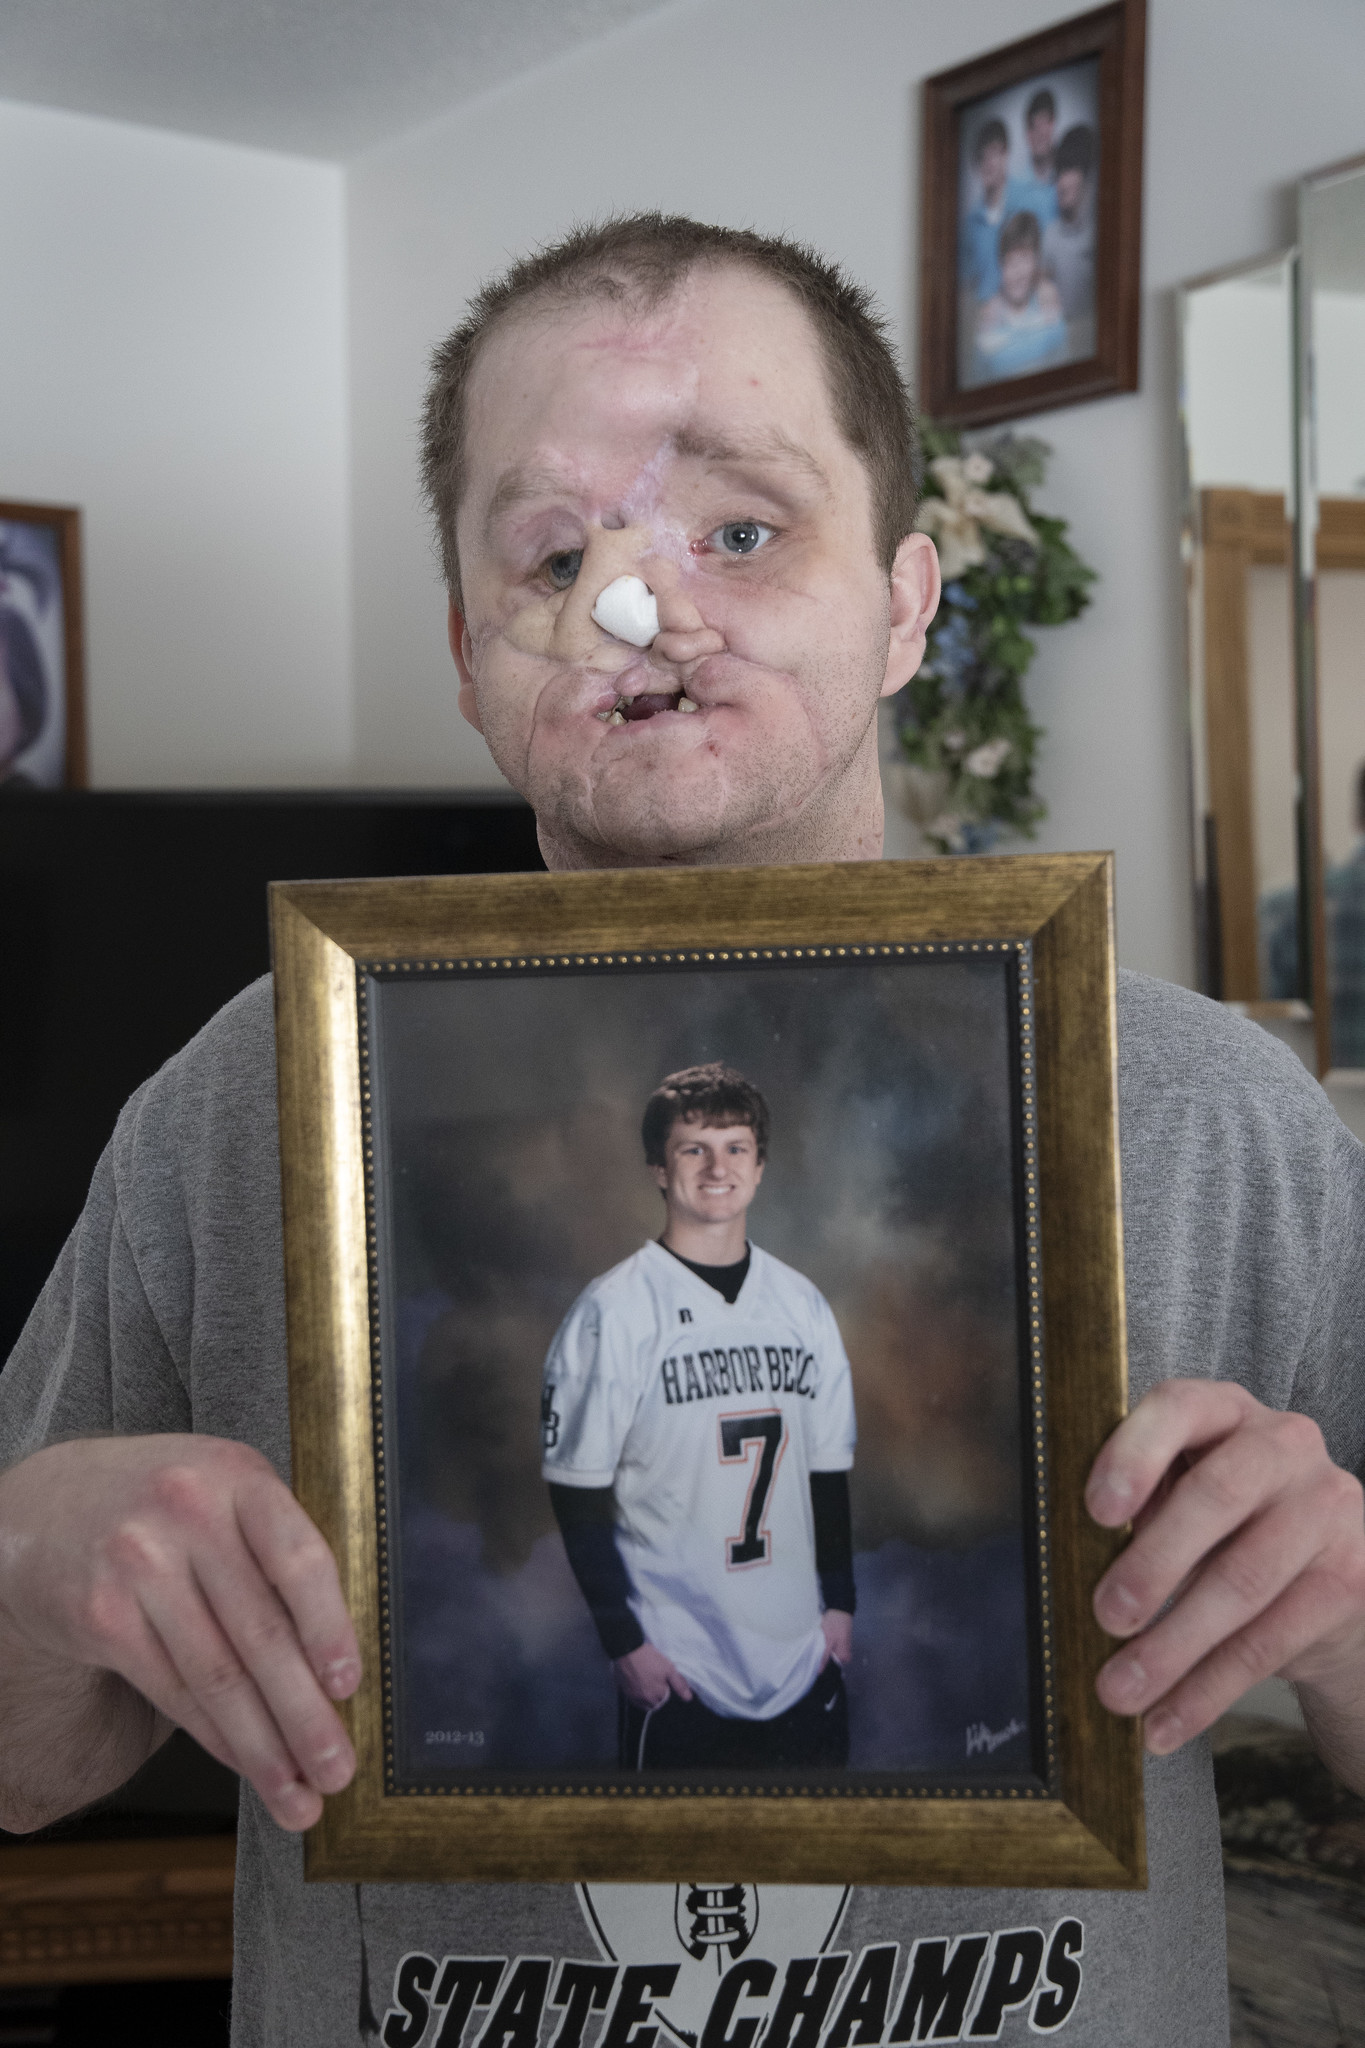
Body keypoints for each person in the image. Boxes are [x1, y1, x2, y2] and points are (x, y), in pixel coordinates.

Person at [0, 213, 1363, 2048]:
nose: (643, 607)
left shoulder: (1215, 1120)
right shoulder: (239, 1104)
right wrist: (26, 1564)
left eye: (740, 525)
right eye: (558, 555)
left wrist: (1338, 1598)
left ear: (904, 599)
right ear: (473, 656)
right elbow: (27, 1770)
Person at [543, 1064, 856, 1771]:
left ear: (761, 1164)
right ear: (659, 1168)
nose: (718, 1167)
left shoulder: (801, 1302)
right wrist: (624, 1643)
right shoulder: (613, 1310)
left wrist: (839, 1606)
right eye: (694, 1148)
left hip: (801, 1659)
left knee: (814, 1871)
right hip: (682, 1670)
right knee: (680, 1880)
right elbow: (577, 1493)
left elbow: (825, 1470)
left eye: (735, 1147)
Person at [973, 210, 1069, 382]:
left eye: (1025, 258)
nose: (1018, 272)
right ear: (1000, 266)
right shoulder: (989, 320)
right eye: (1010, 262)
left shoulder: (1049, 305)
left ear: (1036, 261)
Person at [1042, 123, 1097, 344]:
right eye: (1059, 173)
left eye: (1070, 170)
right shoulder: (1051, 235)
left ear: (1084, 176)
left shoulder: (1096, 232)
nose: (1063, 183)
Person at [958, 116, 1014, 305]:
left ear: (1006, 155)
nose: (989, 163)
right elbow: (965, 288)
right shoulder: (969, 225)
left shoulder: (1025, 206)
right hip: (984, 323)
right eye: (983, 157)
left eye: (995, 153)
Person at [1008, 86, 1061, 230]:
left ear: (1053, 124)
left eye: (1044, 123)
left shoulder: (1066, 180)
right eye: (1033, 126)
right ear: (1027, 134)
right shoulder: (1013, 188)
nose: (1039, 133)